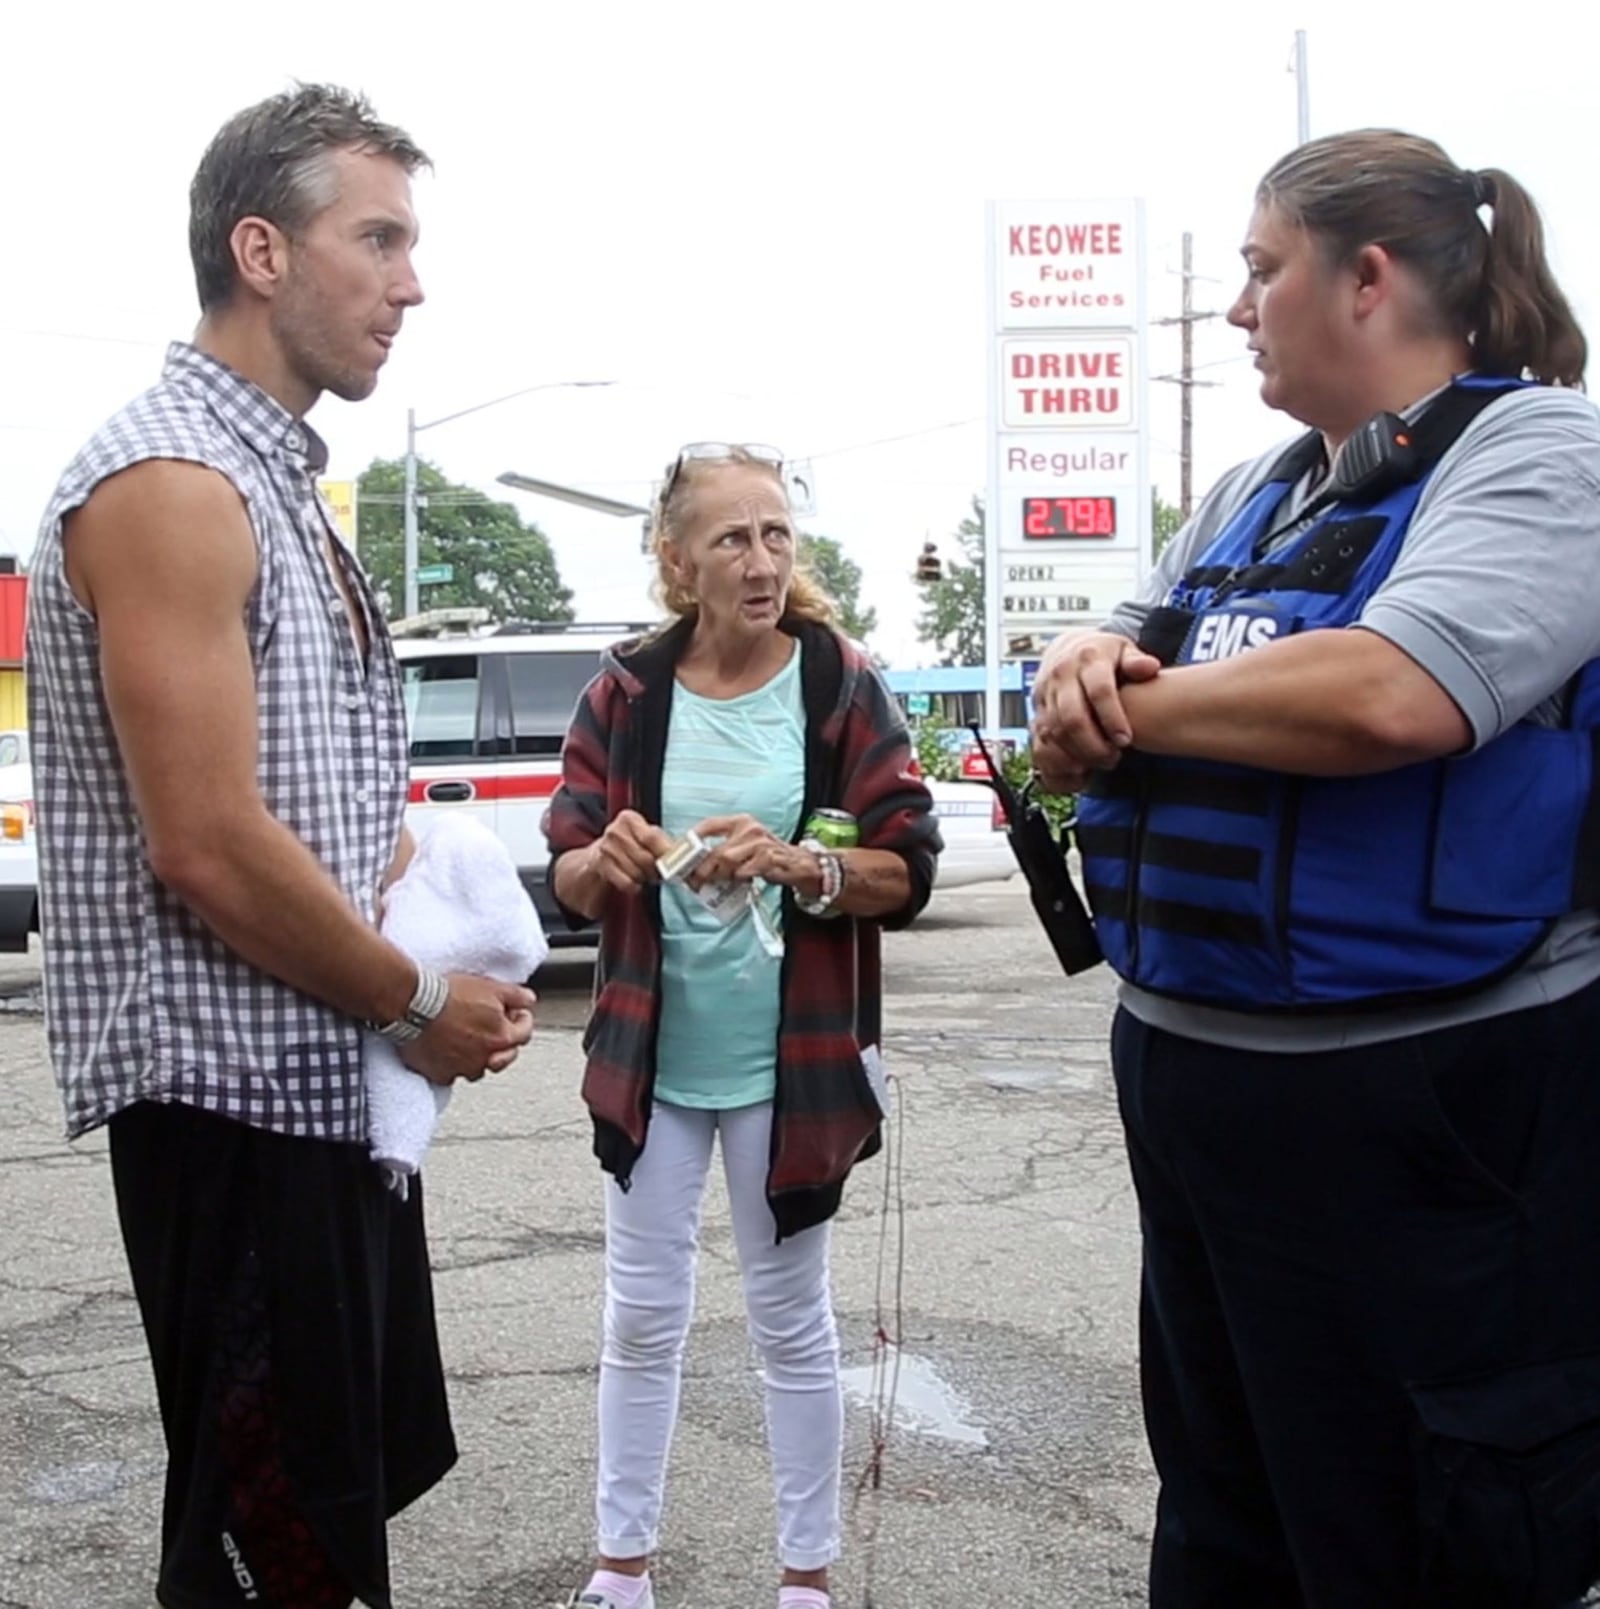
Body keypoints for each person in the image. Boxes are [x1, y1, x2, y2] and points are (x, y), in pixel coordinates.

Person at [1029, 128, 1600, 1609]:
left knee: (1426, 1531)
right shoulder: (1256, 488)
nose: (1234, 310)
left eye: (1258, 270)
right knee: (1228, 1526)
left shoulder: (1542, 451)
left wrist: (1124, 702)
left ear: (1366, 278)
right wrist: (1081, 657)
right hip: (1198, 1082)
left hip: (1429, 1097)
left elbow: (1394, 694)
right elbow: (1109, 652)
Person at [26, 84, 537, 1609]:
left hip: (317, 1097)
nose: (411, 281)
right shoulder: (174, 480)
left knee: (324, 1505)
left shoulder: (278, 482)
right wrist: (408, 1000)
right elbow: (203, 843)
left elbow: (297, 811)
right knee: (270, 1551)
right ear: (261, 248)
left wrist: (432, 925)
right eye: (375, 238)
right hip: (239, 1100)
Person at [544, 443, 941, 1609]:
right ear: (678, 562)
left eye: (776, 534)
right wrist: (600, 857)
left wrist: (804, 862)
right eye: (732, 538)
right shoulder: (624, 689)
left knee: (789, 1321)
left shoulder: (837, 682)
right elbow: (565, 863)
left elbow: (905, 863)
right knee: (644, 1312)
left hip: (794, 1064)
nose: (761, 560)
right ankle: (623, 1569)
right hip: (651, 1058)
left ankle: (805, 1579)